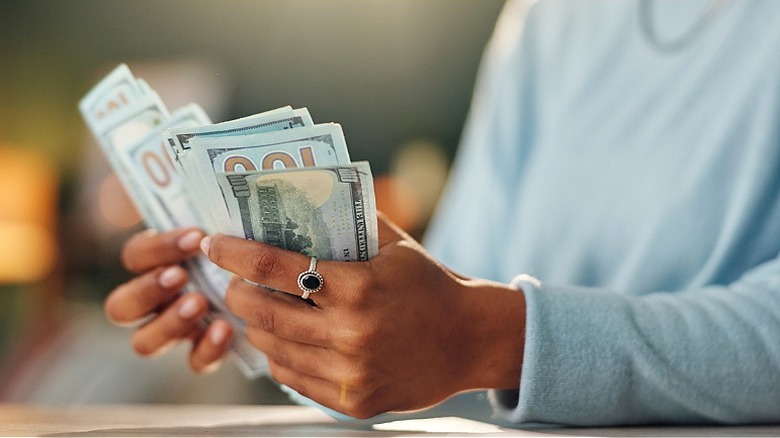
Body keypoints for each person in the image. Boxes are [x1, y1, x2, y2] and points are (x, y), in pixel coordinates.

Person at [104, 0, 780, 426]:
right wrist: (288, 318)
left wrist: (486, 340)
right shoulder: (545, 16)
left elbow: (471, 331)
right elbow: (456, 290)